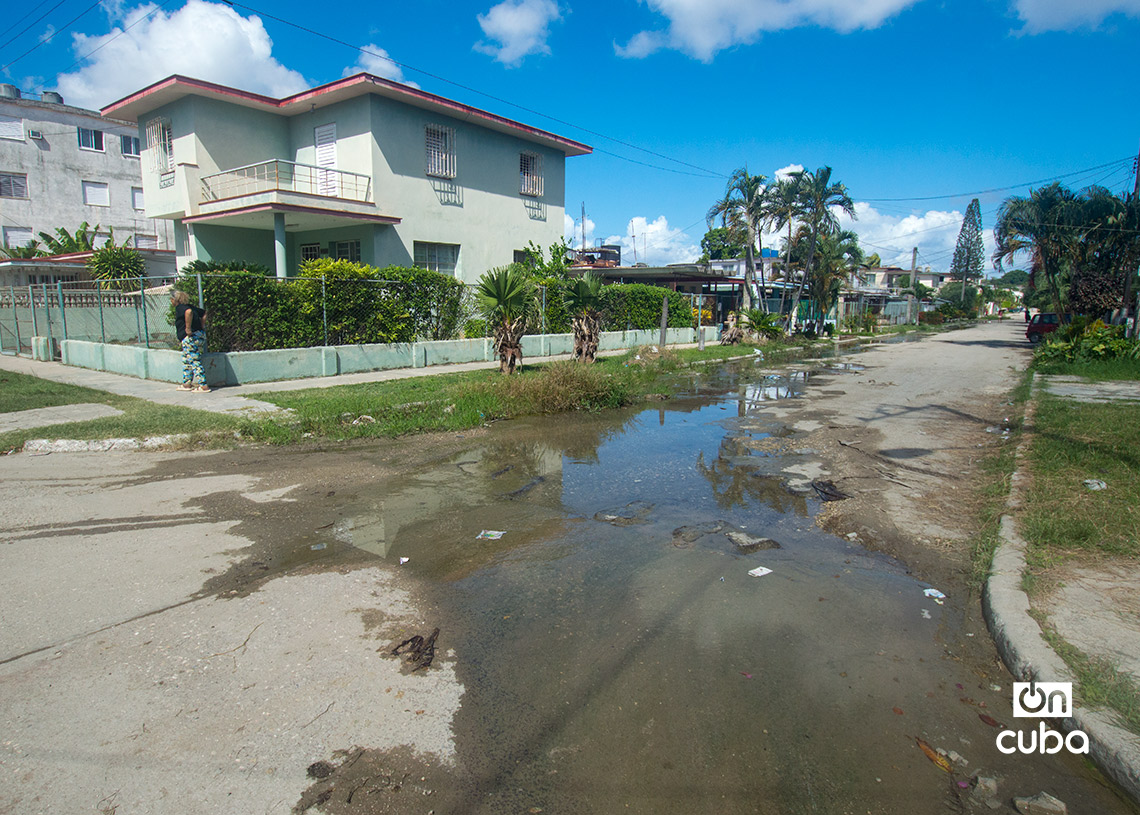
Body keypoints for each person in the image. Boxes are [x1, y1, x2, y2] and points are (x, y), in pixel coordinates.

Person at [171, 290, 210, 392]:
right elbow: (204, 313)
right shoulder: (191, 306)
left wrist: (188, 328)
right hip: (199, 335)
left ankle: (203, 385)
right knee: (187, 359)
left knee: (194, 360)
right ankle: (186, 384)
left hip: (190, 338)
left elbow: (188, 312)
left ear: (175, 300)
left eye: (171, 299)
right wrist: (202, 325)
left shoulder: (181, 308)